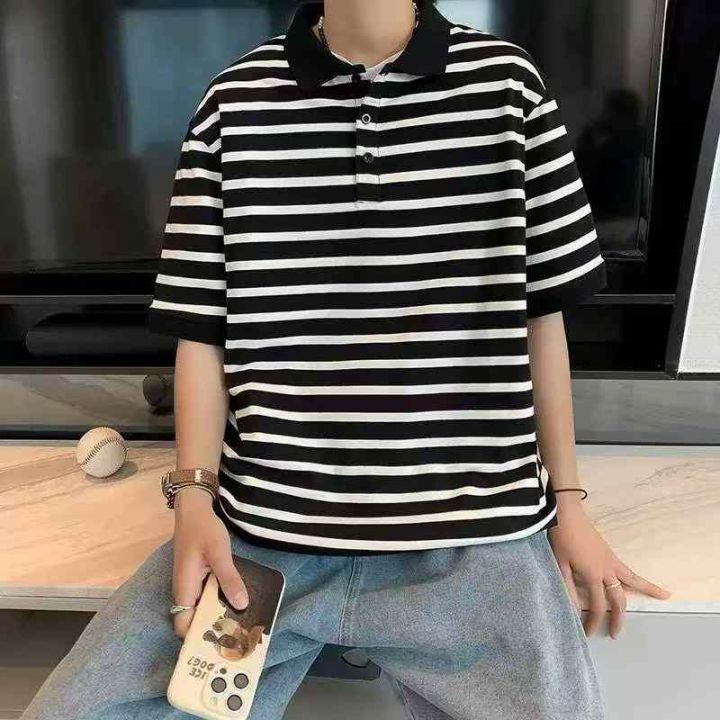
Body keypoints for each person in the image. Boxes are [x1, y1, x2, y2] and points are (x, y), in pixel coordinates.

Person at [21, 1, 672, 719]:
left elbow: (541, 317)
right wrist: (196, 503)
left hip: (475, 541)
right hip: (265, 539)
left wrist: (569, 507)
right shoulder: (233, 100)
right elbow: (202, 328)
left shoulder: (509, 87)